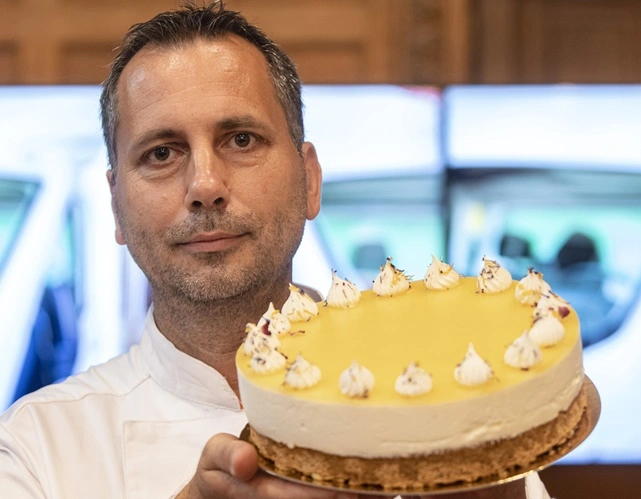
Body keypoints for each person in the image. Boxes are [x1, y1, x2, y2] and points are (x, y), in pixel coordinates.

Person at [0, 2, 549, 498]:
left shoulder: (453, 411)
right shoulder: (37, 447)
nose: (205, 185)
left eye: (241, 139)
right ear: (116, 207)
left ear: (310, 180)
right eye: (162, 153)